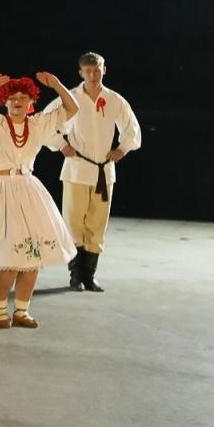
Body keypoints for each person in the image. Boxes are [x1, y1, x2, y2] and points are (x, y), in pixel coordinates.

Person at [0, 73, 79, 329]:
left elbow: (72, 108)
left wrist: (56, 85)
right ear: (4, 101)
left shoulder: (37, 124)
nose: (18, 102)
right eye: (12, 98)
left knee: (32, 256)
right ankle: (0, 309)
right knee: (10, 258)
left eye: (23, 97)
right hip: (0, 191)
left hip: (28, 191)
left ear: (31, 101)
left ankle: (22, 310)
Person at [47, 52, 142, 292]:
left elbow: (132, 128)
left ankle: (90, 275)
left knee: (97, 223)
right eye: (88, 71)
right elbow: (45, 123)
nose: (92, 74)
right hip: (77, 169)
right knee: (73, 221)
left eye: (97, 70)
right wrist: (61, 145)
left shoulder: (114, 99)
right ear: (80, 73)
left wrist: (122, 149)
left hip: (103, 171)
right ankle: (75, 276)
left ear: (104, 70)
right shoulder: (71, 98)